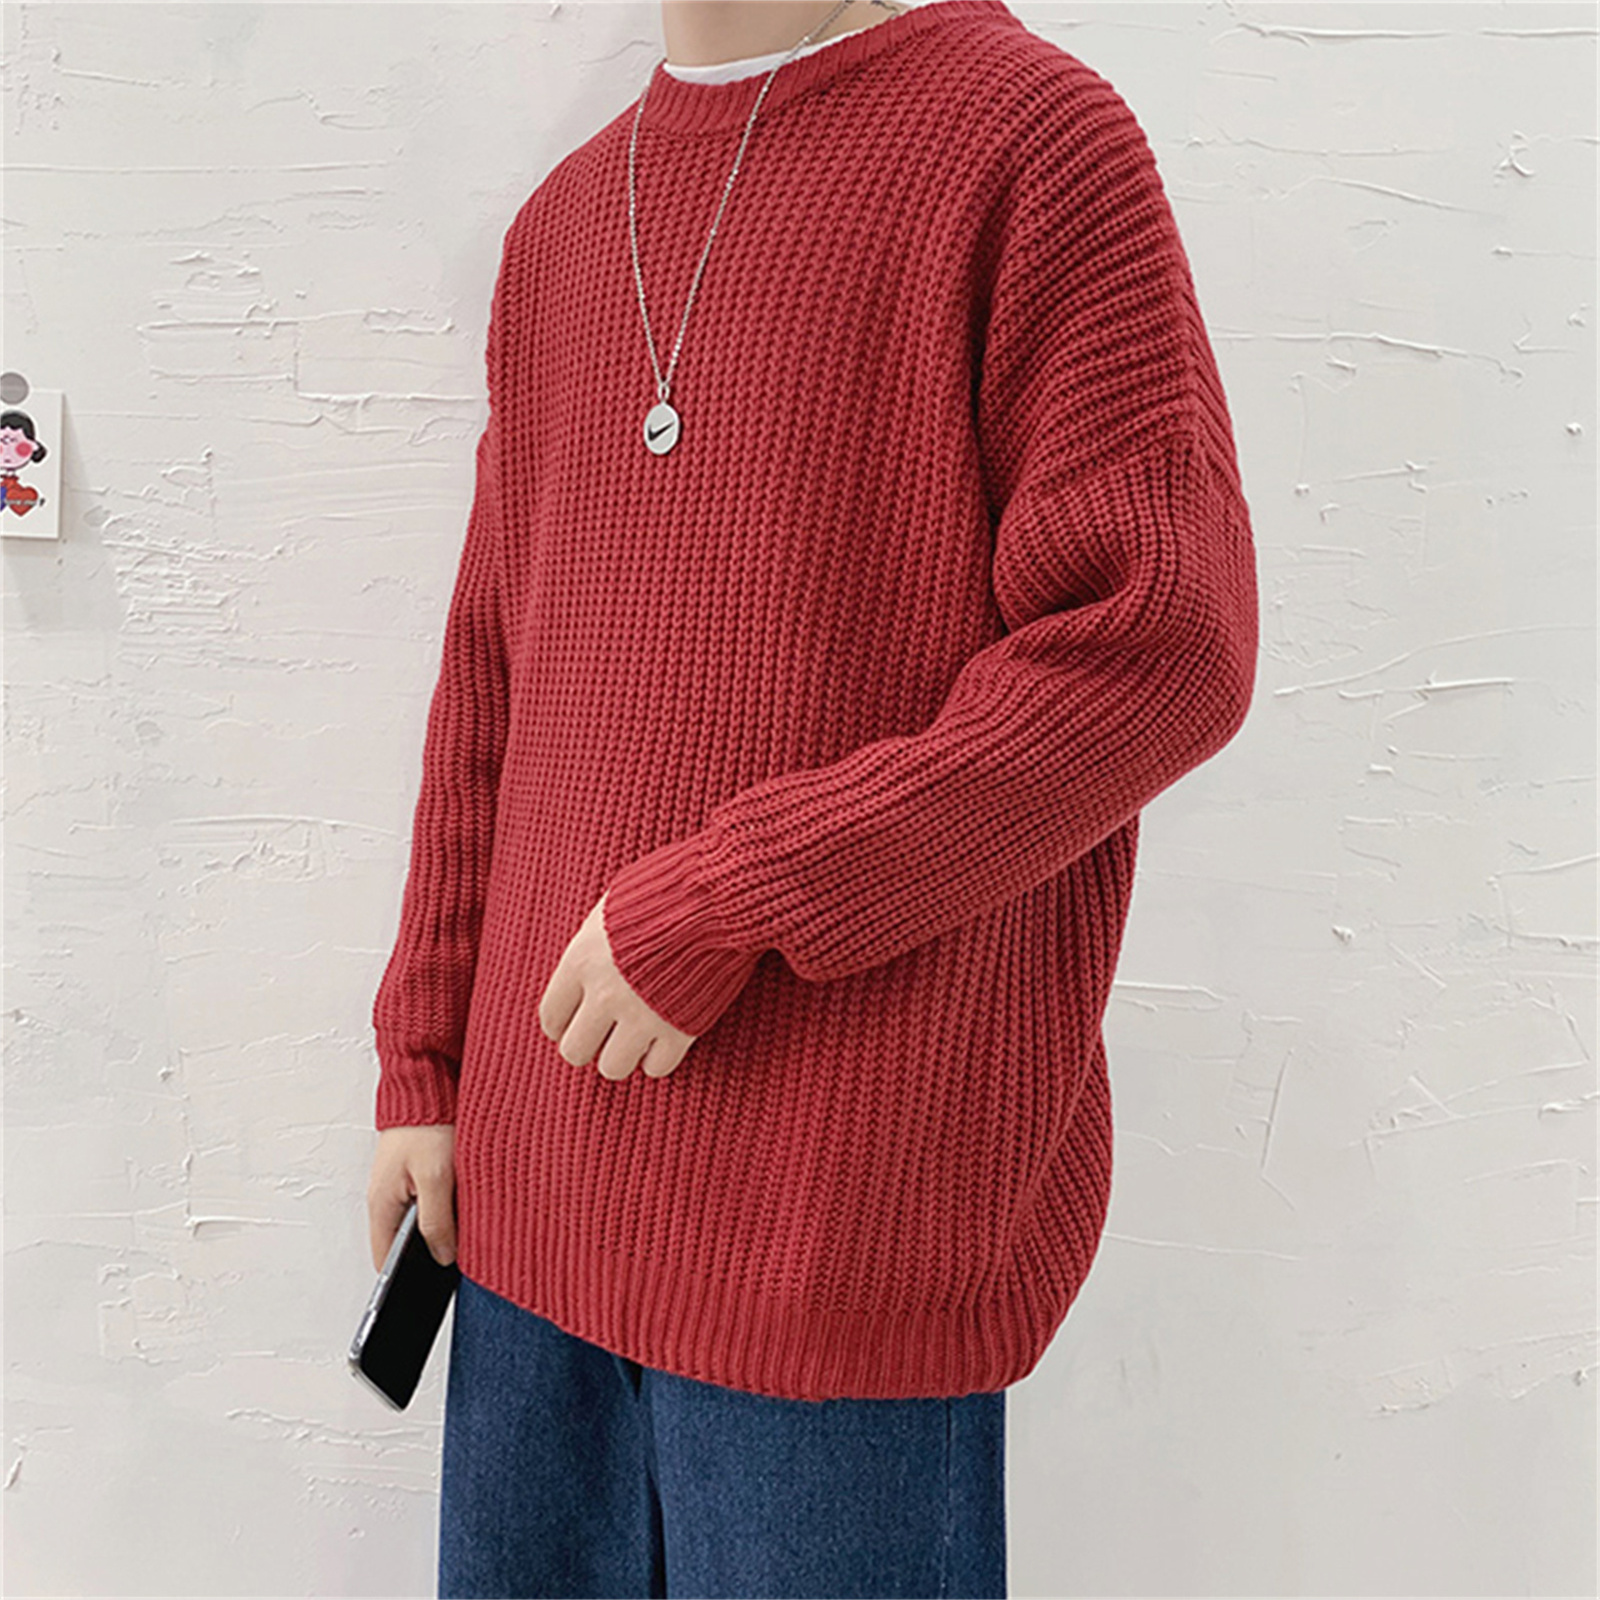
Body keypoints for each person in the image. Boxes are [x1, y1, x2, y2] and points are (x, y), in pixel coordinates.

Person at [366, 0, 1259, 1594]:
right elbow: (497, 668)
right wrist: (424, 1062)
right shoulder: (562, 227)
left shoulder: (1027, 144)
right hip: (527, 1202)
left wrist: (737, 896)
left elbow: (1159, 644)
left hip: (834, 1233)